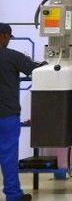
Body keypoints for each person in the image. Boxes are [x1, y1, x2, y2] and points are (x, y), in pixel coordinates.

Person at [0, 23, 44, 201]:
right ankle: (13, 195)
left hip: (7, 114)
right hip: (6, 116)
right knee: (8, 157)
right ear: (4, 36)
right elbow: (36, 69)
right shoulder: (11, 57)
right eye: (9, 37)